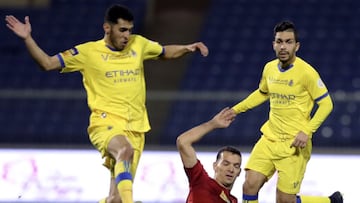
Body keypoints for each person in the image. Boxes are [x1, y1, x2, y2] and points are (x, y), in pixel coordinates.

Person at [5, 4, 208, 203]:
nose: (127, 36)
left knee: (116, 198)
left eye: (129, 30)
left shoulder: (138, 44)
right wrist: (28, 38)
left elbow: (164, 52)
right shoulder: (87, 52)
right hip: (105, 123)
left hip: (136, 127)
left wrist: (187, 48)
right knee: (124, 151)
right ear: (107, 28)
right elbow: (47, 63)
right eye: (122, 30)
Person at [229, 21, 343, 203]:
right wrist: (235, 110)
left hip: (294, 145)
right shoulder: (269, 68)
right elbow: (262, 93)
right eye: (279, 41)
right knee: (249, 184)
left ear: (296, 46)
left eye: (288, 42)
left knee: (284, 200)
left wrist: (307, 131)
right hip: (269, 138)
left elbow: (327, 104)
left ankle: (329, 201)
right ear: (273, 44)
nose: (283, 46)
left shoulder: (307, 73)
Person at [176, 107, 242, 203]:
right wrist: (212, 124)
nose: (231, 170)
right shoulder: (201, 182)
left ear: (239, 172)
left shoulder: (233, 200)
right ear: (215, 166)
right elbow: (183, 141)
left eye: (236, 166)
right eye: (226, 164)